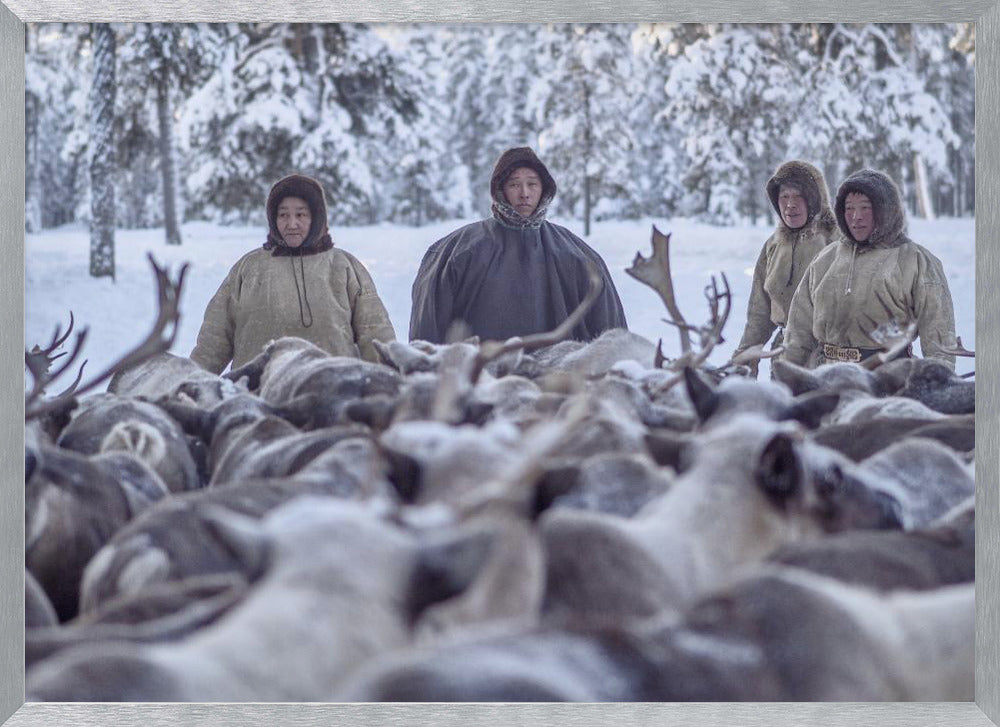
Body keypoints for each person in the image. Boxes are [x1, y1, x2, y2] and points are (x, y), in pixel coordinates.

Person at [409, 147, 627, 343]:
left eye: (532, 184)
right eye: (514, 184)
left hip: (559, 384)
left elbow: (611, 342)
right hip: (478, 382)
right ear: (500, 189)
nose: (524, 193)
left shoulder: (578, 256)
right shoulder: (455, 253)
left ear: (544, 188)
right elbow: (426, 339)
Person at [191, 174, 395, 373]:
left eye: (301, 215)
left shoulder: (344, 266)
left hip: (334, 394)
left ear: (316, 217)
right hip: (258, 396)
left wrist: (389, 383)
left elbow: (375, 335)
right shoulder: (248, 268)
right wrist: (189, 383)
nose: (291, 224)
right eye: (283, 215)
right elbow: (214, 340)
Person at [783, 168, 956, 369]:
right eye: (849, 208)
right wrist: (789, 376)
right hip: (828, 377)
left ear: (885, 210)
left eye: (865, 207)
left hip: (889, 379)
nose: (856, 217)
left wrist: (938, 379)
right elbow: (798, 331)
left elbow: (938, 334)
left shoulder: (916, 260)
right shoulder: (825, 260)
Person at [733, 160, 838, 375]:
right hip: (784, 355)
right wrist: (746, 353)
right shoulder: (773, 246)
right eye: (784, 197)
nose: (790, 204)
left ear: (815, 199)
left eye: (799, 196)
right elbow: (759, 312)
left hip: (829, 357)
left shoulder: (837, 242)